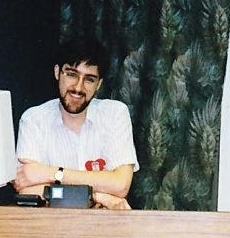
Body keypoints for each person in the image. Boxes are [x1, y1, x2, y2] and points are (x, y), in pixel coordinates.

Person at [13, 37, 139, 210]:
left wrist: (51, 174)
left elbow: (120, 185)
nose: (78, 88)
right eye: (71, 74)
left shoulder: (115, 114)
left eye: (89, 79)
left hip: (104, 228)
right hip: (51, 229)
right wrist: (97, 195)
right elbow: (27, 190)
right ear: (57, 72)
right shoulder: (34, 119)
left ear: (99, 84)